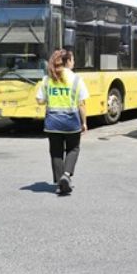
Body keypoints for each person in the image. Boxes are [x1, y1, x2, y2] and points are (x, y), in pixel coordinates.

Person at [36, 49, 89, 195]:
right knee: (73, 149)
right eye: (73, 59)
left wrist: (49, 99)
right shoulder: (76, 79)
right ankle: (66, 175)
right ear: (68, 62)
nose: (74, 62)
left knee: (56, 152)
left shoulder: (47, 79)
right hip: (71, 122)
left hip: (52, 123)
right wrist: (84, 122)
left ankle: (60, 183)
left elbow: (39, 100)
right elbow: (81, 104)